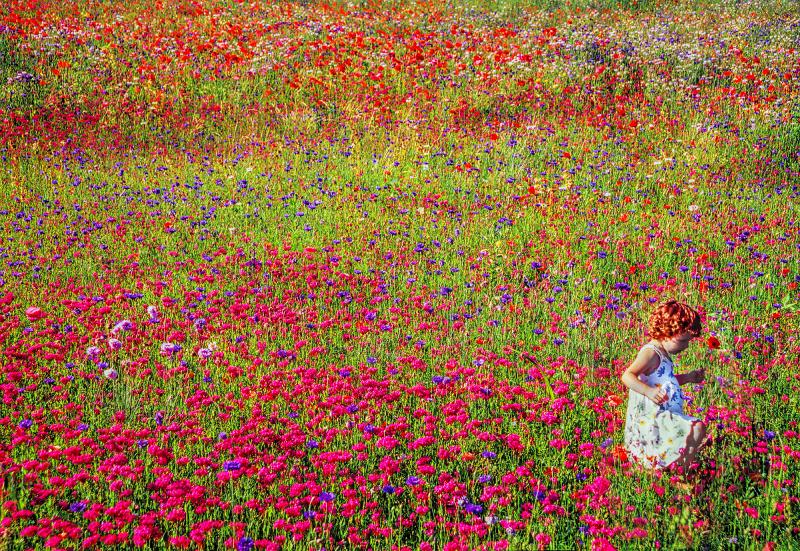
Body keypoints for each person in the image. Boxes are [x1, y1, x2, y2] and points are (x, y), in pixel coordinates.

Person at [621, 300, 708, 473]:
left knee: (696, 433)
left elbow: (665, 382)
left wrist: (688, 377)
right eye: (683, 341)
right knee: (696, 428)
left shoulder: (663, 355)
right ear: (667, 332)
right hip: (652, 419)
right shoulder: (651, 352)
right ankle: (677, 474)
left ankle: (676, 472)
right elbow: (627, 376)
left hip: (666, 415)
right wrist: (648, 391)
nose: (686, 346)